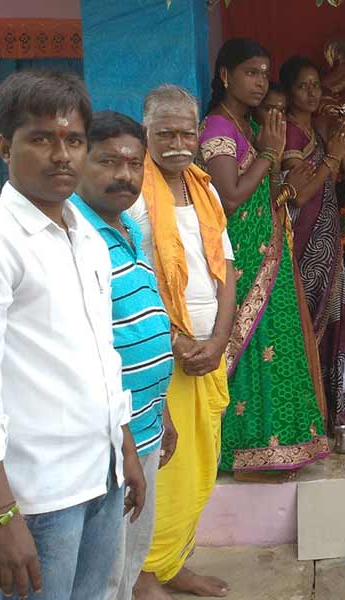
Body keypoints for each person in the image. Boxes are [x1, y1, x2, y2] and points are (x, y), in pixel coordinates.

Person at [0, 71, 146, 599]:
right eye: (41, 139)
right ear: (5, 146)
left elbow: (100, 352)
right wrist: (0, 514)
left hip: (102, 474)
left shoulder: (86, 234)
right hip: (41, 494)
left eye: (73, 140)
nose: (62, 155)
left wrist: (126, 446)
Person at [199, 39, 330, 476]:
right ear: (224, 76)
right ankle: (242, 449)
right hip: (244, 259)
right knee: (253, 348)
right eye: (250, 73)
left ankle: (278, 447)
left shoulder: (250, 127)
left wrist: (285, 172)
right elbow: (231, 199)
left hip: (269, 253)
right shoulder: (218, 129)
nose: (260, 82)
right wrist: (271, 154)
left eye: (263, 73)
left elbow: (269, 192)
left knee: (274, 346)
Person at [130, 84, 236, 599]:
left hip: (208, 348)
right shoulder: (132, 195)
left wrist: (219, 337)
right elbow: (128, 275)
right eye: (164, 132)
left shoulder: (205, 190)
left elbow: (227, 270)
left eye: (186, 132)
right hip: (158, 348)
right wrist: (173, 338)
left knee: (201, 465)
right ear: (145, 132)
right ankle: (144, 573)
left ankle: (174, 563)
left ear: (198, 133)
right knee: (165, 466)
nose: (177, 143)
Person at [69, 111, 176, 600]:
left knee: (130, 559)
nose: (124, 175)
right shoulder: (75, 237)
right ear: (79, 161)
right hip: (111, 439)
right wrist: (127, 440)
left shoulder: (130, 227)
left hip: (145, 424)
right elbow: (89, 353)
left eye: (135, 164)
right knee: (103, 574)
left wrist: (163, 410)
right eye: (109, 161)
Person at [279, 55, 345, 421]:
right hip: (304, 239)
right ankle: (302, 414)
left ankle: (327, 414)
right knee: (305, 321)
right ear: (289, 92)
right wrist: (332, 159)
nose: (311, 92)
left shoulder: (319, 132)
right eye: (302, 86)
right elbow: (299, 194)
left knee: (330, 323)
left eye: (315, 85)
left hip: (328, 236)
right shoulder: (289, 132)